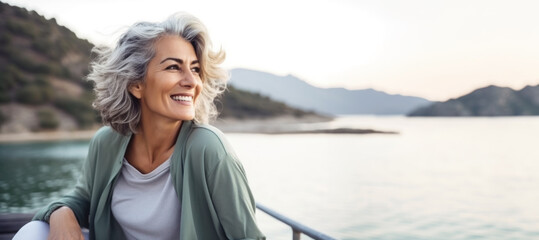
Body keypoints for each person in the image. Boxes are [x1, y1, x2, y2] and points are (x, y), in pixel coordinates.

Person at [14, 12, 265, 240]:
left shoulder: (209, 148)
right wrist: (60, 212)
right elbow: (82, 199)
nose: (191, 81)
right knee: (34, 232)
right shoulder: (107, 142)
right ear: (136, 84)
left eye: (196, 69)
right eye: (173, 67)